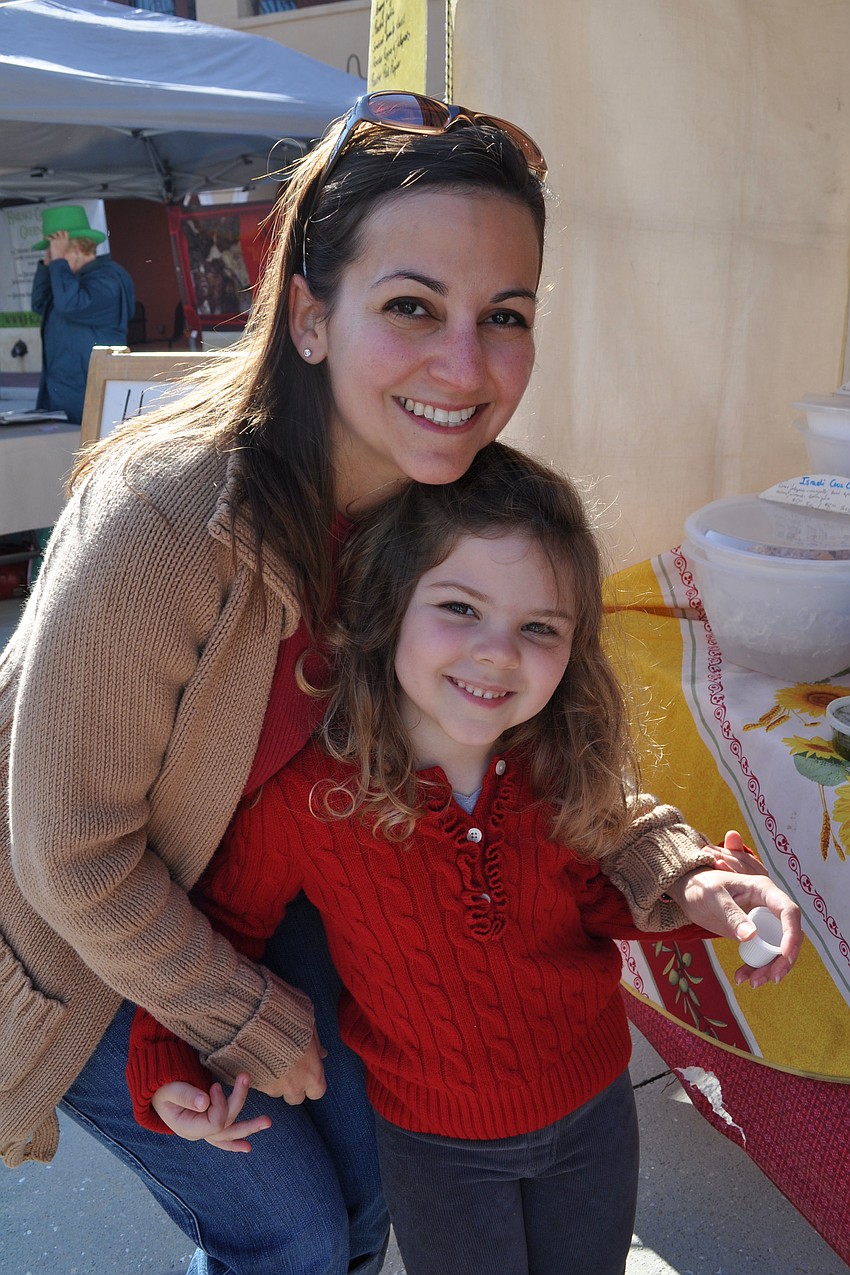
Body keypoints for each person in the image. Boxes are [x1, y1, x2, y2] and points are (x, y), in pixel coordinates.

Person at [2, 93, 801, 1275]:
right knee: (292, 1233)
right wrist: (232, 1018)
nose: (465, 365)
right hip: (84, 939)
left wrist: (677, 871)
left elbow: (552, 756)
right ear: (311, 317)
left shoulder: (459, 500)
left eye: (506, 315)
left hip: (291, 899)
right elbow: (69, 856)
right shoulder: (166, 519)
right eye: (412, 306)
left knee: (377, 1193)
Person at [127, 442, 796, 1275]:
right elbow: (215, 931)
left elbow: (612, 873)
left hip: (592, 1114)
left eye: (539, 626)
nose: (498, 652)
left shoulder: (560, 761)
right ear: (386, 606)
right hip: (435, 1150)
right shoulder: (311, 794)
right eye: (460, 607)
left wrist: (702, 889)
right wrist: (167, 1061)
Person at [30, 204, 135, 424]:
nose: (52, 255)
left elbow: (70, 306)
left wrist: (58, 264)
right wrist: (47, 266)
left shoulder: (108, 279)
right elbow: (40, 305)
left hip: (89, 394)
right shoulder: (67, 278)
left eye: (57, 249)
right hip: (61, 394)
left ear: (77, 248)